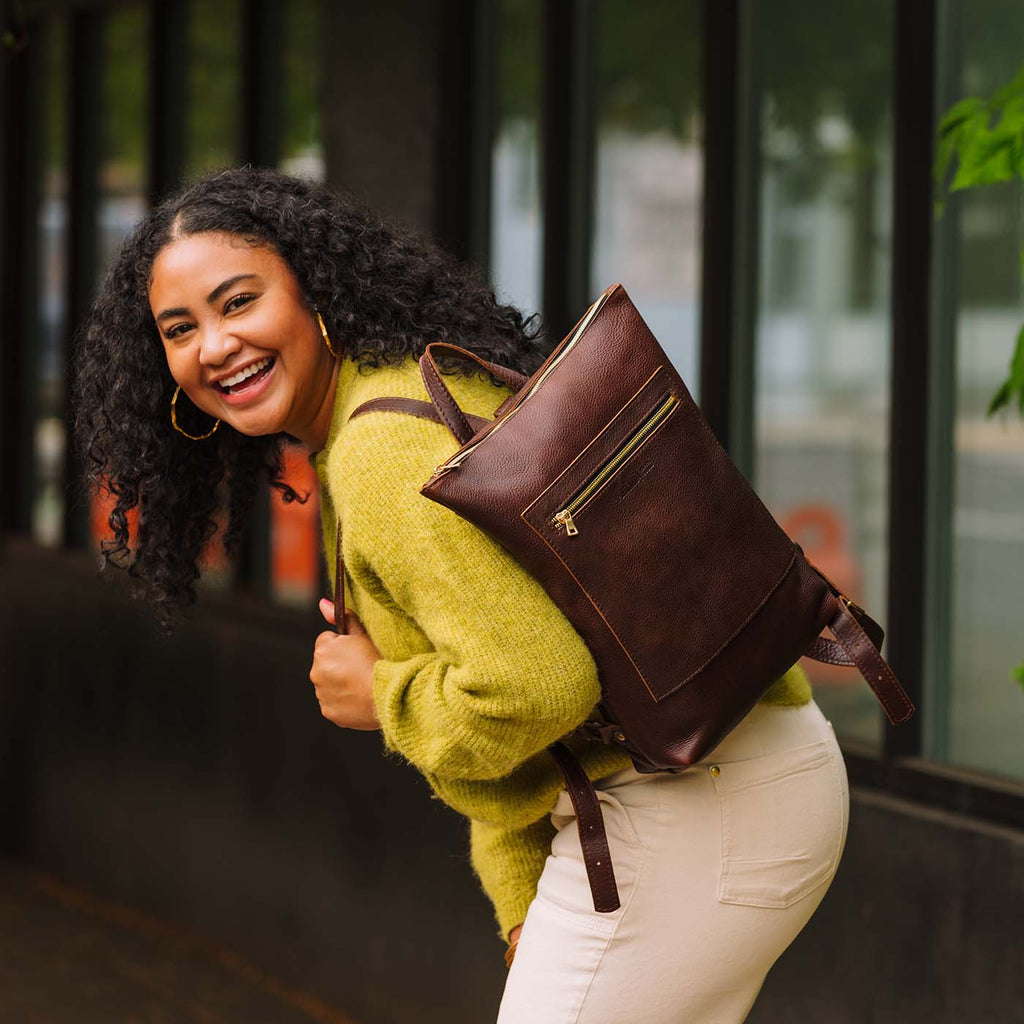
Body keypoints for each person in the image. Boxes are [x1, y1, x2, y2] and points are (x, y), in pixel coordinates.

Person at [72, 165, 849, 1023]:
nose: (213, 345)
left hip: (693, 809)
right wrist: (521, 906)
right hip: (733, 777)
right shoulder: (412, 384)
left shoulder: (381, 455)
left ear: (315, 294)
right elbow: (527, 722)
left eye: (239, 302)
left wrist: (383, 694)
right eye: (179, 329)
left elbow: (537, 685)